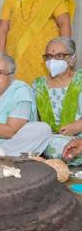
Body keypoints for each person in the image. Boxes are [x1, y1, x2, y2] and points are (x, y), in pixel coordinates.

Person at [0, 0, 75, 84]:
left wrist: (65, 53)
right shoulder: (10, 0)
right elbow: (2, 30)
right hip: (17, 57)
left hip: (47, 58)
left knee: (47, 95)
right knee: (21, 95)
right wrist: (0, 58)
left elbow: (64, 23)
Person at [33, 37, 82, 165]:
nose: (52, 61)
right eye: (49, 56)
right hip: (50, 141)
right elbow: (32, 121)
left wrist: (79, 125)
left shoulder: (80, 80)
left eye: (59, 56)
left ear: (72, 59)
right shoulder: (38, 85)